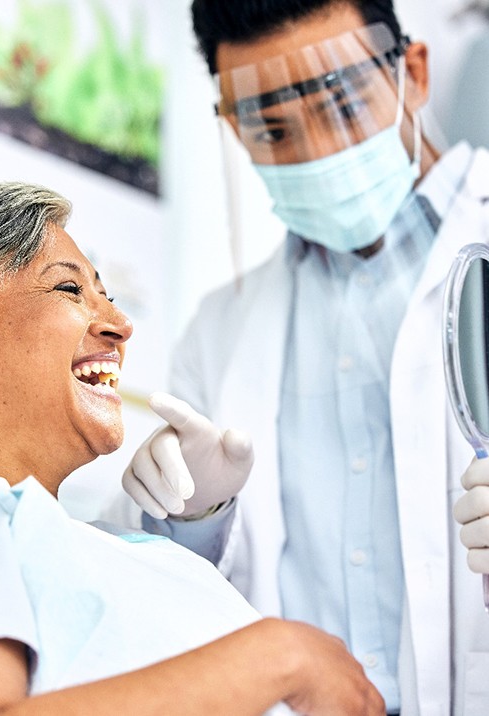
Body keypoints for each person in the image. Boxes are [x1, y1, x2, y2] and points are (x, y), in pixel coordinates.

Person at [121, 1, 489, 713]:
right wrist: (190, 520)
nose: (317, 149)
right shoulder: (218, 330)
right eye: (273, 130)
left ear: (411, 73)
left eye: (343, 105)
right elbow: (186, 612)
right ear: (234, 129)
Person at [0, 180, 385, 716]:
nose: (121, 325)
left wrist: (194, 520)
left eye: (107, 295)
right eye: (69, 291)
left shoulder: (94, 543)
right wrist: (282, 657)